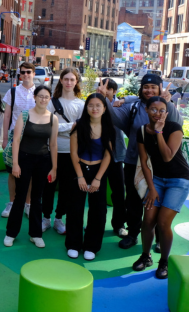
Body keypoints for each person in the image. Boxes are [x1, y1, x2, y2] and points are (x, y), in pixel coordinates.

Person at [97, 74, 180, 250]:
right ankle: (133, 233)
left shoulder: (167, 107)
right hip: (133, 162)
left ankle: (158, 237)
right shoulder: (133, 107)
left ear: (160, 88)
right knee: (133, 201)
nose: (149, 90)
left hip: (159, 165)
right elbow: (114, 117)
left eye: (153, 87)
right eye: (145, 87)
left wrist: (169, 105)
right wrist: (105, 99)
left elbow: (177, 125)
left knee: (158, 200)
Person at [132, 97, 189, 279]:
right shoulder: (142, 131)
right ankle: (145, 256)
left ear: (166, 113)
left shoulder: (174, 128)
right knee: (148, 220)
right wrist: (151, 188)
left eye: (161, 110)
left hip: (178, 180)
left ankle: (164, 261)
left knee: (164, 222)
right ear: (146, 110)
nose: (157, 114)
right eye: (153, 109)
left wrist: (159, 132)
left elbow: (167, 157)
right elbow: (143, 162)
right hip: (157, 179)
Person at [4, 86, 59, 248]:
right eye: (40, 96)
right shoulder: (25, 115)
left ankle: (35, 234)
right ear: (34, 97)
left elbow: (53, 144)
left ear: (49, 99)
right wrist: (15, 163)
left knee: (37, 198)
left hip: (43, 161)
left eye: (46, 97)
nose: (43, 99)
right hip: (24, 159)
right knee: (20, 197)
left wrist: (54, 168)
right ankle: (11, 233)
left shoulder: (52, 119)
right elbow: (16, 140)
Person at [67, 93, 114, 261]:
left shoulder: (108, 127)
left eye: (98, 105)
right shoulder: (78, 125)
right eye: (91, 105)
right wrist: (80, 177)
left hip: (98, 172)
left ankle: (91, 246)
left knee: (98, 210)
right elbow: (73, 153)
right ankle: (73, 244)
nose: (94, 108)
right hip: (79, 169)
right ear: (86, 108)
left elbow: (108, 155)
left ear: (104, 108)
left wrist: (98, 179)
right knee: (75, 208)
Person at [43, 67, 85, 235]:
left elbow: (82, 128)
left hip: (72, 153)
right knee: (48, 186)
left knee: (67, 188)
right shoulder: (52, 102)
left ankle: (59, 218)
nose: (68, 82)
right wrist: (71, 126)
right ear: (61, 80)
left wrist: (62, 128)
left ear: (76, 82)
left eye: (72, 79)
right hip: (51, 151)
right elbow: (47, 125)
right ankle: (45, 217)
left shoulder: (81, 104)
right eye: (65, 79)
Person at [0, 62, 37, 218]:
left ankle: (28, 204)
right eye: (23, 72)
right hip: (14, 136)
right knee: (12, 171)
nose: (26, 74)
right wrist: (3, 138)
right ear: (20, 74)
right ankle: (12, 203)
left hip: (34, 137)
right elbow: (7, 115)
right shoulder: (13, 92)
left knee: (30, 173)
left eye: (29, 72)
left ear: (33, 73)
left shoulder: (39, 92)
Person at [101, 78, 128, 238]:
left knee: (118, 193)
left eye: (108, 89)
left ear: (114, 91)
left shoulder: (121, 106)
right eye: (102, 87)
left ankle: (119, 225)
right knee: (97, 192)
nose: (104, 91)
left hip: (116, 157)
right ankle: (96, 223)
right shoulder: (96, 103)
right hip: (97, 157)